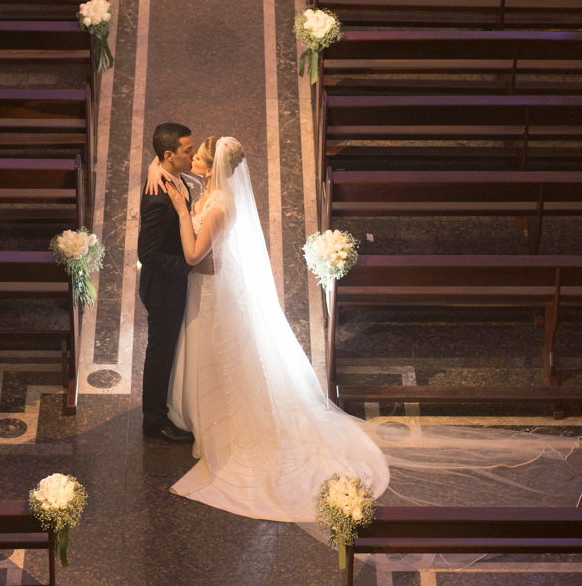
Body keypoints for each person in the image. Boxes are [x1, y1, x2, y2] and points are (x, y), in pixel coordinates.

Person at [149, 135, 574, 523]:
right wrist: (160, 173)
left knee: (224, 359)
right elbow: (178, 179)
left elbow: (192, 253)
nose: (192, 162)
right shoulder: (209, 188)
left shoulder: (219, 205)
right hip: (209, 289)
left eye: (198, 158)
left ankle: (225, 427)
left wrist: (185, 210)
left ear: (212, 168)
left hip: (212, 290)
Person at [137, 123, 197, 444]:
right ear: (170, 155)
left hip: (174, 282)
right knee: (160, 351)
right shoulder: (157, 199)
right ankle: (154, 420)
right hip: (163, 289)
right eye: (189, 150)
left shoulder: (171, 173)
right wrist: (188, 265)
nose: (194, 154)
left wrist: (153, 165)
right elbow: (146, 253)